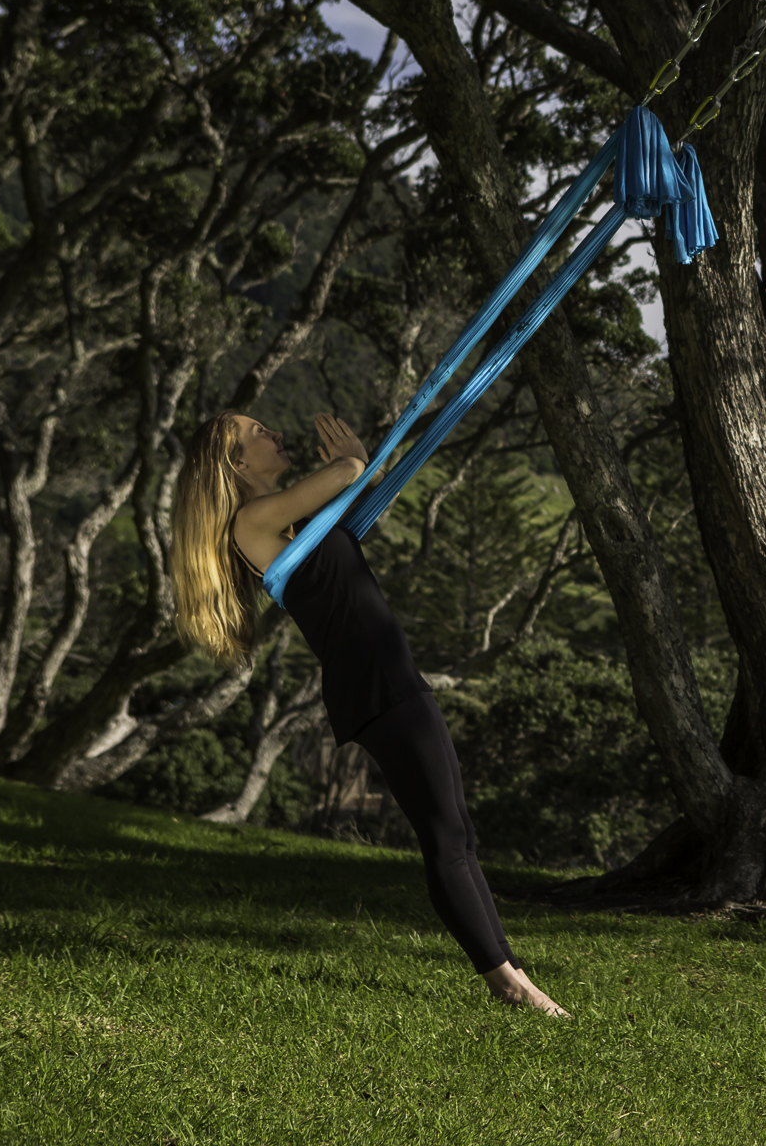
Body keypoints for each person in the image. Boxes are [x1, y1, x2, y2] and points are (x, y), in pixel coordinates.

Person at [170, 410, 568, 1016]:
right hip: (376, 683)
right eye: (259, 432)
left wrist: (359, 469)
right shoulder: (252, 519)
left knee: (457, 832)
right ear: (237, 464)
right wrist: (355, 459)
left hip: (389, 677)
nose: (276, 431)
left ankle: (510, 969)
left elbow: (353, 490)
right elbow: (351, 471)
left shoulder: (287, 520)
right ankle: (507, 986)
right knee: (444, 837)